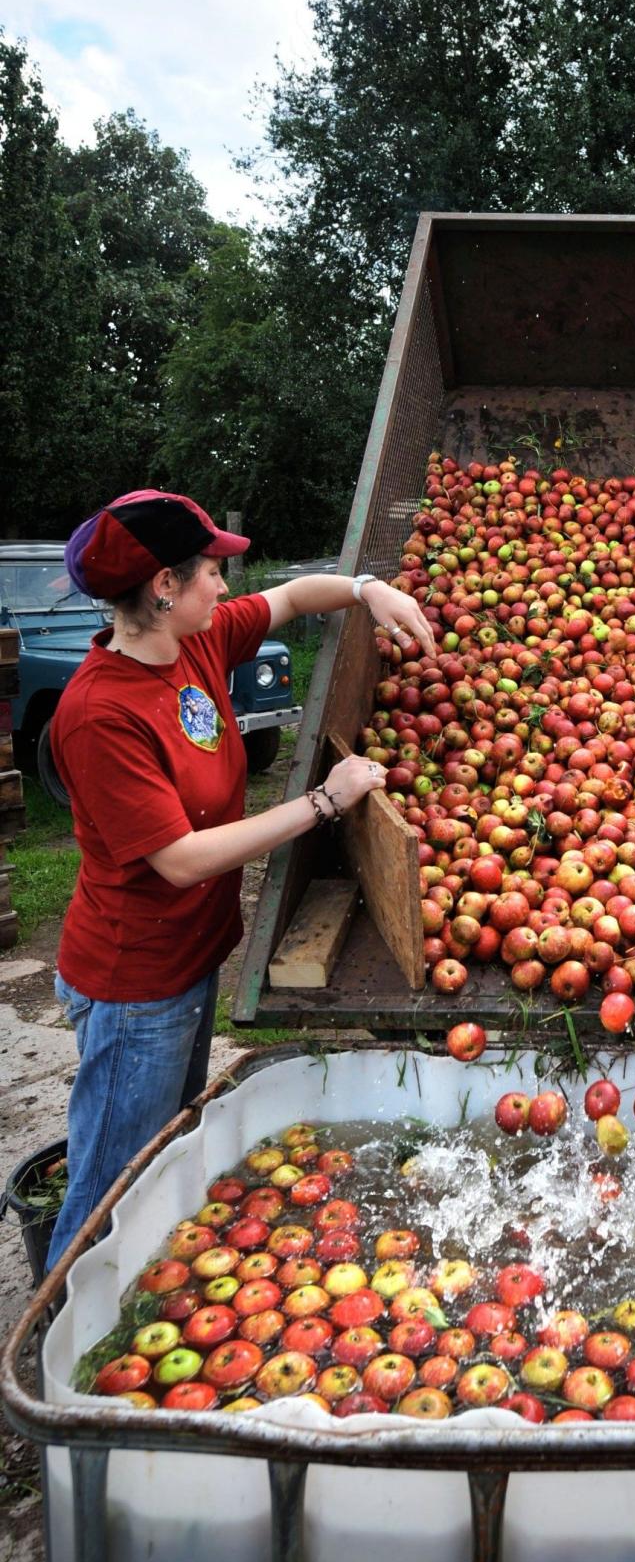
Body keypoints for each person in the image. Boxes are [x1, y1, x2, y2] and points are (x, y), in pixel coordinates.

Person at [45, 489, 434, 1268]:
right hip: (134, 985)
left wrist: (366, 590)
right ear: (162, 586)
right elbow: (181, 859)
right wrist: (324, 801)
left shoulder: (193, 643)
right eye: (210, 572)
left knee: (164, 1167)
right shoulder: (99, 713)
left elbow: (291, 597)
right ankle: (52, 1358)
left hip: (187, 964)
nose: (224, 585)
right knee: (112, 1193)